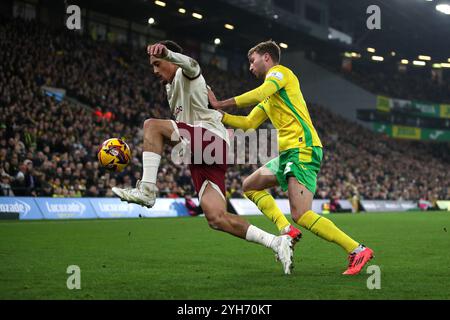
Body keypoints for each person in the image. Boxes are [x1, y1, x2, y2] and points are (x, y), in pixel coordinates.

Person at [112, 41, 294, 274]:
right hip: (200, 153)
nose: (154, 70)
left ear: (171, 59)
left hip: (210, 140)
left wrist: (168, 53)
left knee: (151, 126)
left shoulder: (186, 74)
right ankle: (277, 243)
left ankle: (147, 190)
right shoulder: (170, 88)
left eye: (158, 64)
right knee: (215, 217)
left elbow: (193, 64)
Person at [208, 40, 374, 275]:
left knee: (302, 214)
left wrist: (220, 102)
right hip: (288, 154)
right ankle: (285, 228)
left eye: (252, 61)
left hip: (303, 148)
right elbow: (247, 123)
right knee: (251, 186)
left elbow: (261, 92)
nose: (250, 67)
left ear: (267, 58)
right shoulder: (271, 97)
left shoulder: (280, 73)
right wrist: (219, 115)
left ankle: (357, 250)